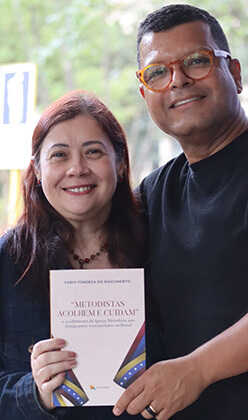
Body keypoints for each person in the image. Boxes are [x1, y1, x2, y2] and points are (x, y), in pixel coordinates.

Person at [113, 4, 248, 420]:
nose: (179, 80)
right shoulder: (154, 194)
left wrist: (198, 369)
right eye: (157, 72)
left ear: (236, 74)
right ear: (145, 93)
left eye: (197, 61)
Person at [0, 89, 147, 419]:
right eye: (59, 155)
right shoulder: (7, 261)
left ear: (120, 163)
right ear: (38, 170)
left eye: (93, 151)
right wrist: (35, 391)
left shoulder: (157, 246)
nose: (77, 169)